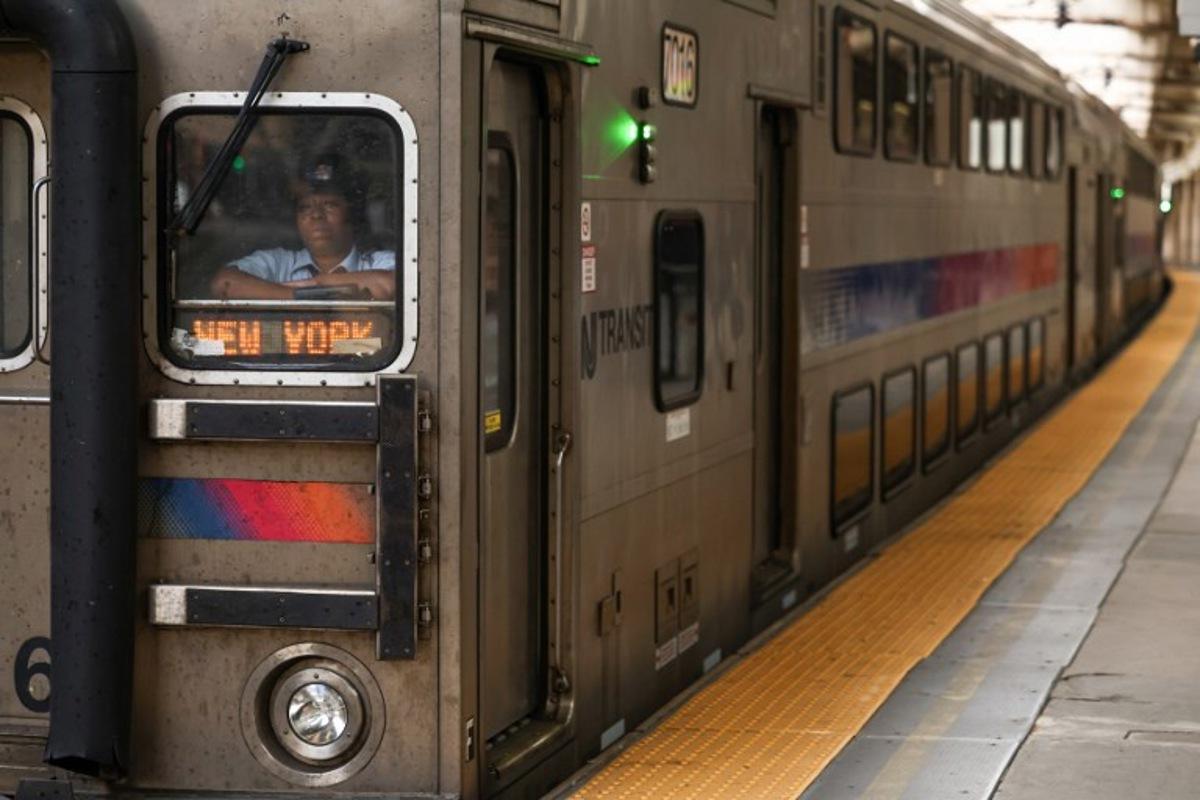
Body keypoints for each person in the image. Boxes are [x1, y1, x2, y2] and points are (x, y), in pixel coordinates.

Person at [209, 153, 395, 300]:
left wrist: (306, 285)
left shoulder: (379, 262)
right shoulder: (277, 262)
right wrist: (299, 294)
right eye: (305, 207)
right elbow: (224, 284)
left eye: (329, 204)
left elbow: (388, 285)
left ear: (353, 213)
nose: (316, 214)